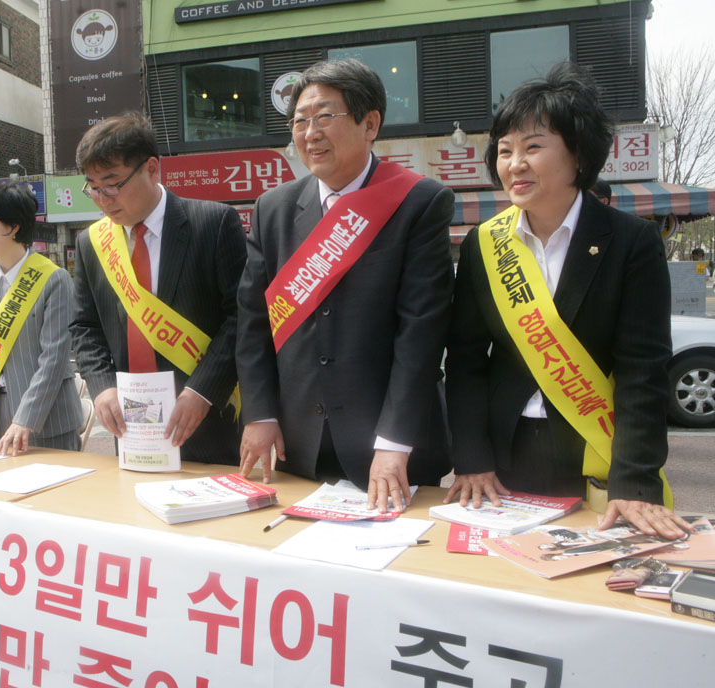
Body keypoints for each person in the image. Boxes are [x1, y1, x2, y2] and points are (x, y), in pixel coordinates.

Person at [444, 62, 691, 539]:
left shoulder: (631, 242)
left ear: (578, 153)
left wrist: (636, 482)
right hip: (503, 459)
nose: (515, 163)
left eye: (533, 147)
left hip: (596, 454)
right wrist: (471, 458)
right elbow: (466, 360)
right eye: (505, 150)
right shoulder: (483, 243)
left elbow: (643, 370)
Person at [236, 58, 455, 510]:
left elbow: (420, 332)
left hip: (391, 453)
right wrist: (260, 413)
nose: (309, 133)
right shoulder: (272, 208)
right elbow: (254, 321)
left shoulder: (419, 201)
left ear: (369, 123)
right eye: (300, 121)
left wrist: (393, 442)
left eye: (324, 117)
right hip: (299, 444)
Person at [70, 112, 246, 464]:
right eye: (93, 187)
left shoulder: (212, 224)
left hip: (206, 422)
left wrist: (201, 391)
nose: (103, 199)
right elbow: (84, 326)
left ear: (152, 169)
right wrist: (102, 388)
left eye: (112, 184)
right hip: (131, 427)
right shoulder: (92, 243)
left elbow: (241, 317)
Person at [0, 181, 83, 455]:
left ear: (12, 226)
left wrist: (26, 419)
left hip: (46, 422)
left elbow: (54, 358)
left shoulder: (53, 279)